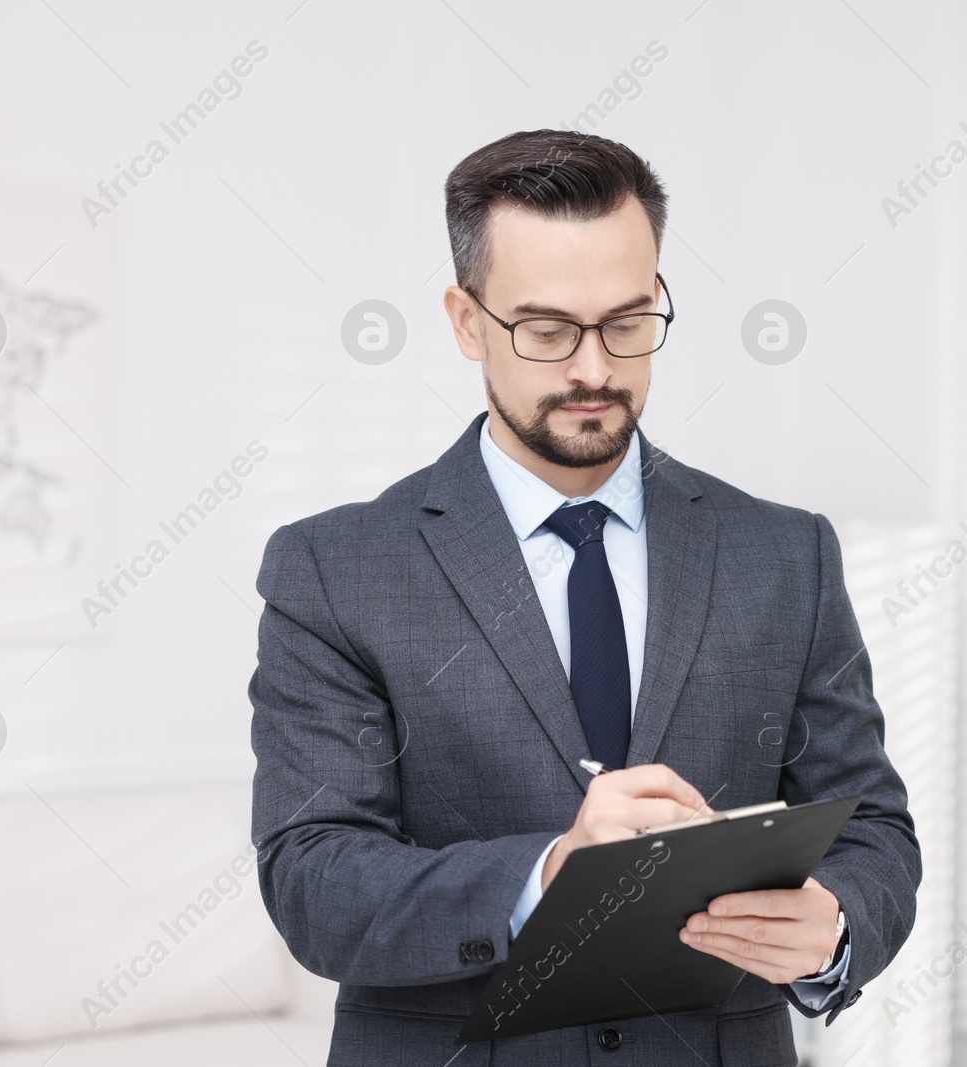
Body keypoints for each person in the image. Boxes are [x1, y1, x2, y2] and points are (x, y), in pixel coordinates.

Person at [249, 128, 920, 1066]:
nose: (595, 369)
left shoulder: (786, 553)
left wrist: (835, 929)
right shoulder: (335, 568)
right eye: (548, 329)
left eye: (627, 321)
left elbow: (873, 827)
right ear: (465, 320)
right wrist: (547, 875)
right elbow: (314, 879)